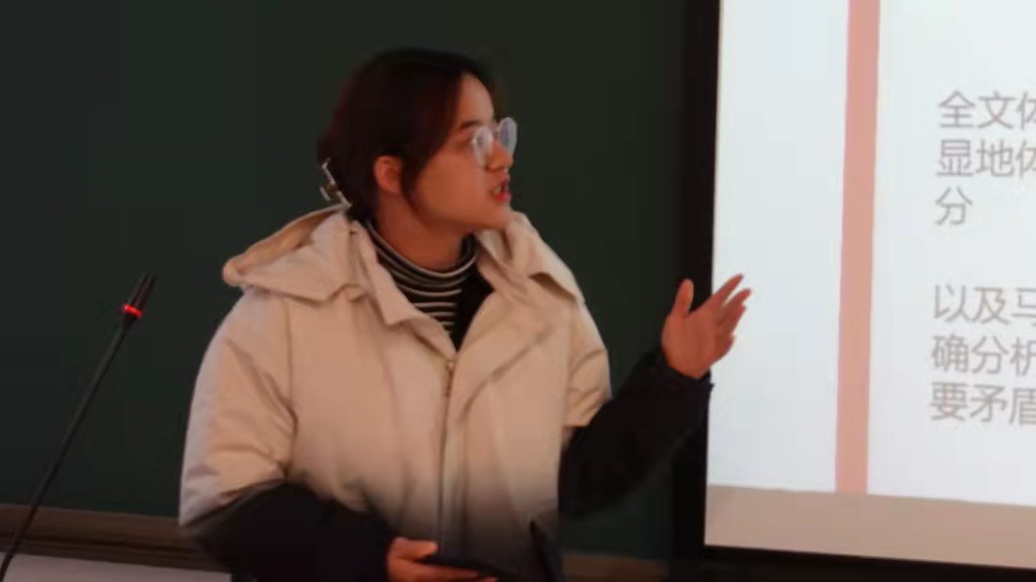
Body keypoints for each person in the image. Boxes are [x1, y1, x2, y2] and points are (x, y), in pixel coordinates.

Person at [179, 48, 749, 582]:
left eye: (500, 133)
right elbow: (223, 505)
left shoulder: (543, 299)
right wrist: (369, 558)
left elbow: (575, 484)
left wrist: (673, 378)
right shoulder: (283, 313)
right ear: (391, 173)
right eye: (473, 140)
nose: (502, 156)